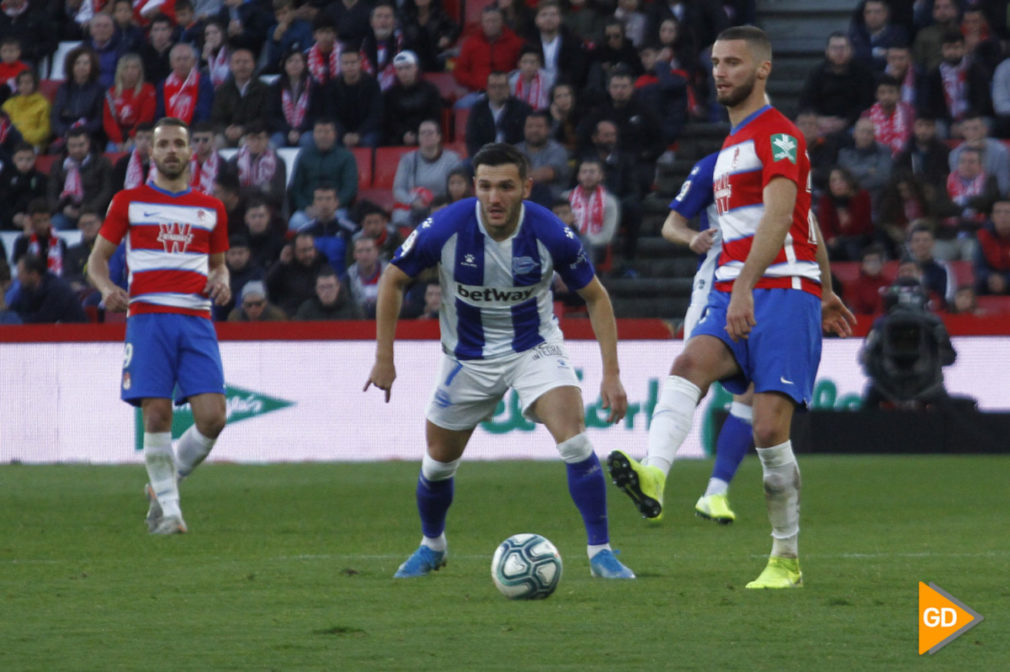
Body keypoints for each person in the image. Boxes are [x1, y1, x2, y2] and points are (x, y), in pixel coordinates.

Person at [606, 26, 854, 589]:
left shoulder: (781, 136)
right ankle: (654, 475)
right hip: (732, 287)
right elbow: (806, 219)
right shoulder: (727, 148)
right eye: (716, 62)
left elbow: (782, 216)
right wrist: (823, 284)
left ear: (762, 70)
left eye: (734, 63)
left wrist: (771, 285)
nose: (720, 72)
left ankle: (785, 559)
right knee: (688, 364)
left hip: (783, 293)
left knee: (769, 432)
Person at [365, 142, 636, 580]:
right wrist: (384, 357)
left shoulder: (551, 232)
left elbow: (596, 298)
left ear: (526, 188)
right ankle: (432, 546)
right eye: (486, 186)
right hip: (467, 357)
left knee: (575, 440)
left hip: (534, 348)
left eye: (506, 187)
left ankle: (601, 553)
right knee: (437, 462)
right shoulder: (445, 227)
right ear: (473, 187)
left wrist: (612, 374)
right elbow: (393, 279)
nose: (495, 198)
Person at [86, 117, 230, 535]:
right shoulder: (129, 202)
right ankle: (169, 511)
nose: (170, 150)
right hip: (148, 318)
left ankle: (163, 484)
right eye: (162, 143)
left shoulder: (212, 209)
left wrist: (221, 281)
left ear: (190, 153)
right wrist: (107, 286)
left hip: (196, 319)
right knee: (157, 413)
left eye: (177, 144)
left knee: (213, 417)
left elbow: (219, 267)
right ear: (151, 152)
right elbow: (95, 261)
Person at [657, 152, 754, 523]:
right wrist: (692, 237)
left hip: (767, 288)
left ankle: (715, 493)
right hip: (716, 286)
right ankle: (655, 475)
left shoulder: (781, 162)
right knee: (691, 381)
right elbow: (671, 224)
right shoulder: (714, 166)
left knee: (752, 392)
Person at [859, 277, 956, 408]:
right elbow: (949, 357)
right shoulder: (934, 323)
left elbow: (865, 359)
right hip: (897, 388)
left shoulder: (880, 324)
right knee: (949, 418)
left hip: (919, 387)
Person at [287, 118, 358, 231]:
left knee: (343, 224)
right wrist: (306, 207)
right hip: (309, 209)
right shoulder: (304, 156)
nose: (323, 136)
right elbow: (296, 188)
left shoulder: (346, 157)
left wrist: (333, 206)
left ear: (334, 134)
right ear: (313, 134)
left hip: (336, 209)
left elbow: (350, 188)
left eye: (327, 132)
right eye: (319, 132)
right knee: (295, 222)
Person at [391, 119, 460, 226]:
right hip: (415, 206)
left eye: (430, 132)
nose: (426, 136)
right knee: (399, 216)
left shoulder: (452, 159)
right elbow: (398, 189)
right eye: (423, 133)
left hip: (442, 205)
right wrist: (412, 202)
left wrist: (440, 205)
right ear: (418, 138)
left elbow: (457, 187)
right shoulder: (407, 159)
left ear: (438, 137)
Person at [47, 128, 115, 231]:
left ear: (88, 143)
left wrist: (87, 210)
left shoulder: (102, 163)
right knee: (54, 225)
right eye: (73, 146)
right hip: (66, 213)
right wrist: (62, 209)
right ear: (67, 146)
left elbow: (106, 192)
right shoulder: (58, 165)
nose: (77, 150)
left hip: (95, 212)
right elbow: (51, 192)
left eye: (81, 145)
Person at [211, 48, 271, 148]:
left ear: (253, 64)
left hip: (255, 134)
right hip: (227, 134)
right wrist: (226, 130)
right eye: (237, 62)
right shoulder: (222, 90)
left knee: (249, 144)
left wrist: (243, 129)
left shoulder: (264, 89)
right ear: (231, 66)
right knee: (214, 143)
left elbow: (266, 118)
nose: (242, 66)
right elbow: (215, 118)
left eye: (246, 62)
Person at [464, 71, 532, 158]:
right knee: (462, 168)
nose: (497, 90)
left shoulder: (522, 109)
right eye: (493, 87)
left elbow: (525, 140)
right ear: (487, 89)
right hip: (484, 158)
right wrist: (482, 158)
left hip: (513, 157)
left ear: (508, 88)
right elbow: (472, 140)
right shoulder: (477, 109)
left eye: (501, 86)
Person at [564, 157, 618, 265]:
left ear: (601, 176)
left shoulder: (610, 202)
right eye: (584, 172)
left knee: (586, 251)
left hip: (596, 246)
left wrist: (584, 242)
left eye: (592, 172)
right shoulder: (565, 198)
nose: (588, 175)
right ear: (578, 176)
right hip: (568, 243)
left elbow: (607, 235)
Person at [267, 49, 325, 150]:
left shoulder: (314, 86)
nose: (294, 64)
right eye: (290, 61)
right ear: (284, 65)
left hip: (306, 130)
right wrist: (288, 131)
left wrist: (299, 130)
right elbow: (272, 116)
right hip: (283, 130)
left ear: (304, 64)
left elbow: (317, 115)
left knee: (307, 140)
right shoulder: (275, 86)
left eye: (298, 61)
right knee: (274, 143)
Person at [380, 49, 441, 146]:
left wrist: (418, 134)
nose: (404, 72)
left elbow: (434, 116)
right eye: (400, 69)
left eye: (408, 68)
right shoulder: (390, 94)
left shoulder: (430, 91)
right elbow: (389, 120)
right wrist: (403, 134)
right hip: (397, 139)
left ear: (416, 68)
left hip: (425, 136)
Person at [50, 46, 105, 149]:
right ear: (71, 66)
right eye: (77, 63)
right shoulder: (63, 89)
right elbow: (55, 117)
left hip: (89, 135)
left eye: (86, 63)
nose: (81, 66)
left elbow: (98, 119)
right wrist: (65, 131)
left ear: (92, 66)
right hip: (66, 133)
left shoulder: (99, 89)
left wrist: (82, 131)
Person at [330, 46, 383, 149]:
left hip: (366, 132)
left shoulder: (372, 84)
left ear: (360, 63)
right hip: (341, 133)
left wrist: (358, 134)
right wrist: (344, 134)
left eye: (353, 62)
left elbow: (376, 114)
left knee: (368, 141)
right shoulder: (333, 86)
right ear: (340, 65)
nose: (350, 66)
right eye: (346, 63)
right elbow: (331, 115)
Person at [102, 54, 157, 152]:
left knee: (133, 150)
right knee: (111, 151)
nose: (130, 71)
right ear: (120, 71)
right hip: (118, 136)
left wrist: (131, 138)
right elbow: (108, 120)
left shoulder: (148, 90)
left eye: (134, 67)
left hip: (139, 135)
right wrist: (118, 141)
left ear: (140, 70)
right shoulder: (111, 92)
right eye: (126, 68)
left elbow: (145, 117)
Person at [10, 253, 88, 323]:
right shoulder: (27, 288)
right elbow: (17, 309)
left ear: (33, 274)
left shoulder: (57, 289)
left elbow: (44, 320)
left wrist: (15, 321)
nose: (18, 277)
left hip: (74, 334)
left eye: (21, 273)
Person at [265, 231, 326, 315]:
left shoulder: (322, 264)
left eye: (310, 249)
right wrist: (281, 264)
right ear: (293, 251)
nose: (308, 254)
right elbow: (267, 286)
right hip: (291, 317)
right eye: (303, 250)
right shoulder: (284, 268)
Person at [155, 43, 215, 126]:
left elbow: (204, 113)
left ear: (194, 62)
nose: (182, 63)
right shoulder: (163, 85)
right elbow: (160, 115)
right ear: (171, 64)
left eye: (185, 59)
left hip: (196, 130)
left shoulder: (204, 82)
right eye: (178, 59)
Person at [0, 142, 46, 231]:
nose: (24, 163)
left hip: (33, 219)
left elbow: (42, 200)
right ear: (14, 159)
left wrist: (29, 216)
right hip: (8, 218)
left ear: (34, 159)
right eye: (20, 159)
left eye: (28, 159)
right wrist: (12, 216)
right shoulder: (5, 178)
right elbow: (2, 201)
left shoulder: (40, 178)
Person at [1, 68, 49, 151]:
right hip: (9, 143)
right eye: (20, 83)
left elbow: (45, 131)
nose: (24, 86)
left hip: (31, 144)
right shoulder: (9, 103)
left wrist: (24, 137)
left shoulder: (43, 104)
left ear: (35, 84)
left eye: (27, 82)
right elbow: (2, 125)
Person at [294, 266, 362, 319]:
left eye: (330, 286)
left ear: (338, 286)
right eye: (322, 287)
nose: (326, 291)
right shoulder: (307, 310)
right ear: (316, 289)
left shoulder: (353, 309)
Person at [974, 199, 1010, 295]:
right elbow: (979, 267)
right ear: (992, 217)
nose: (1003, 216)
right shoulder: (984, 235)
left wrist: (1006, 280)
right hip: (990, 282)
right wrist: (990, 277)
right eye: (998, 212)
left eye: (1007, 212)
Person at [112, 123, 155, 190]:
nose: (143, 142)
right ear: (135, 140)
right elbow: (116, 189)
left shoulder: (160, 163)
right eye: (139, 138)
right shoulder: (123, 163)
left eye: (148, 138)